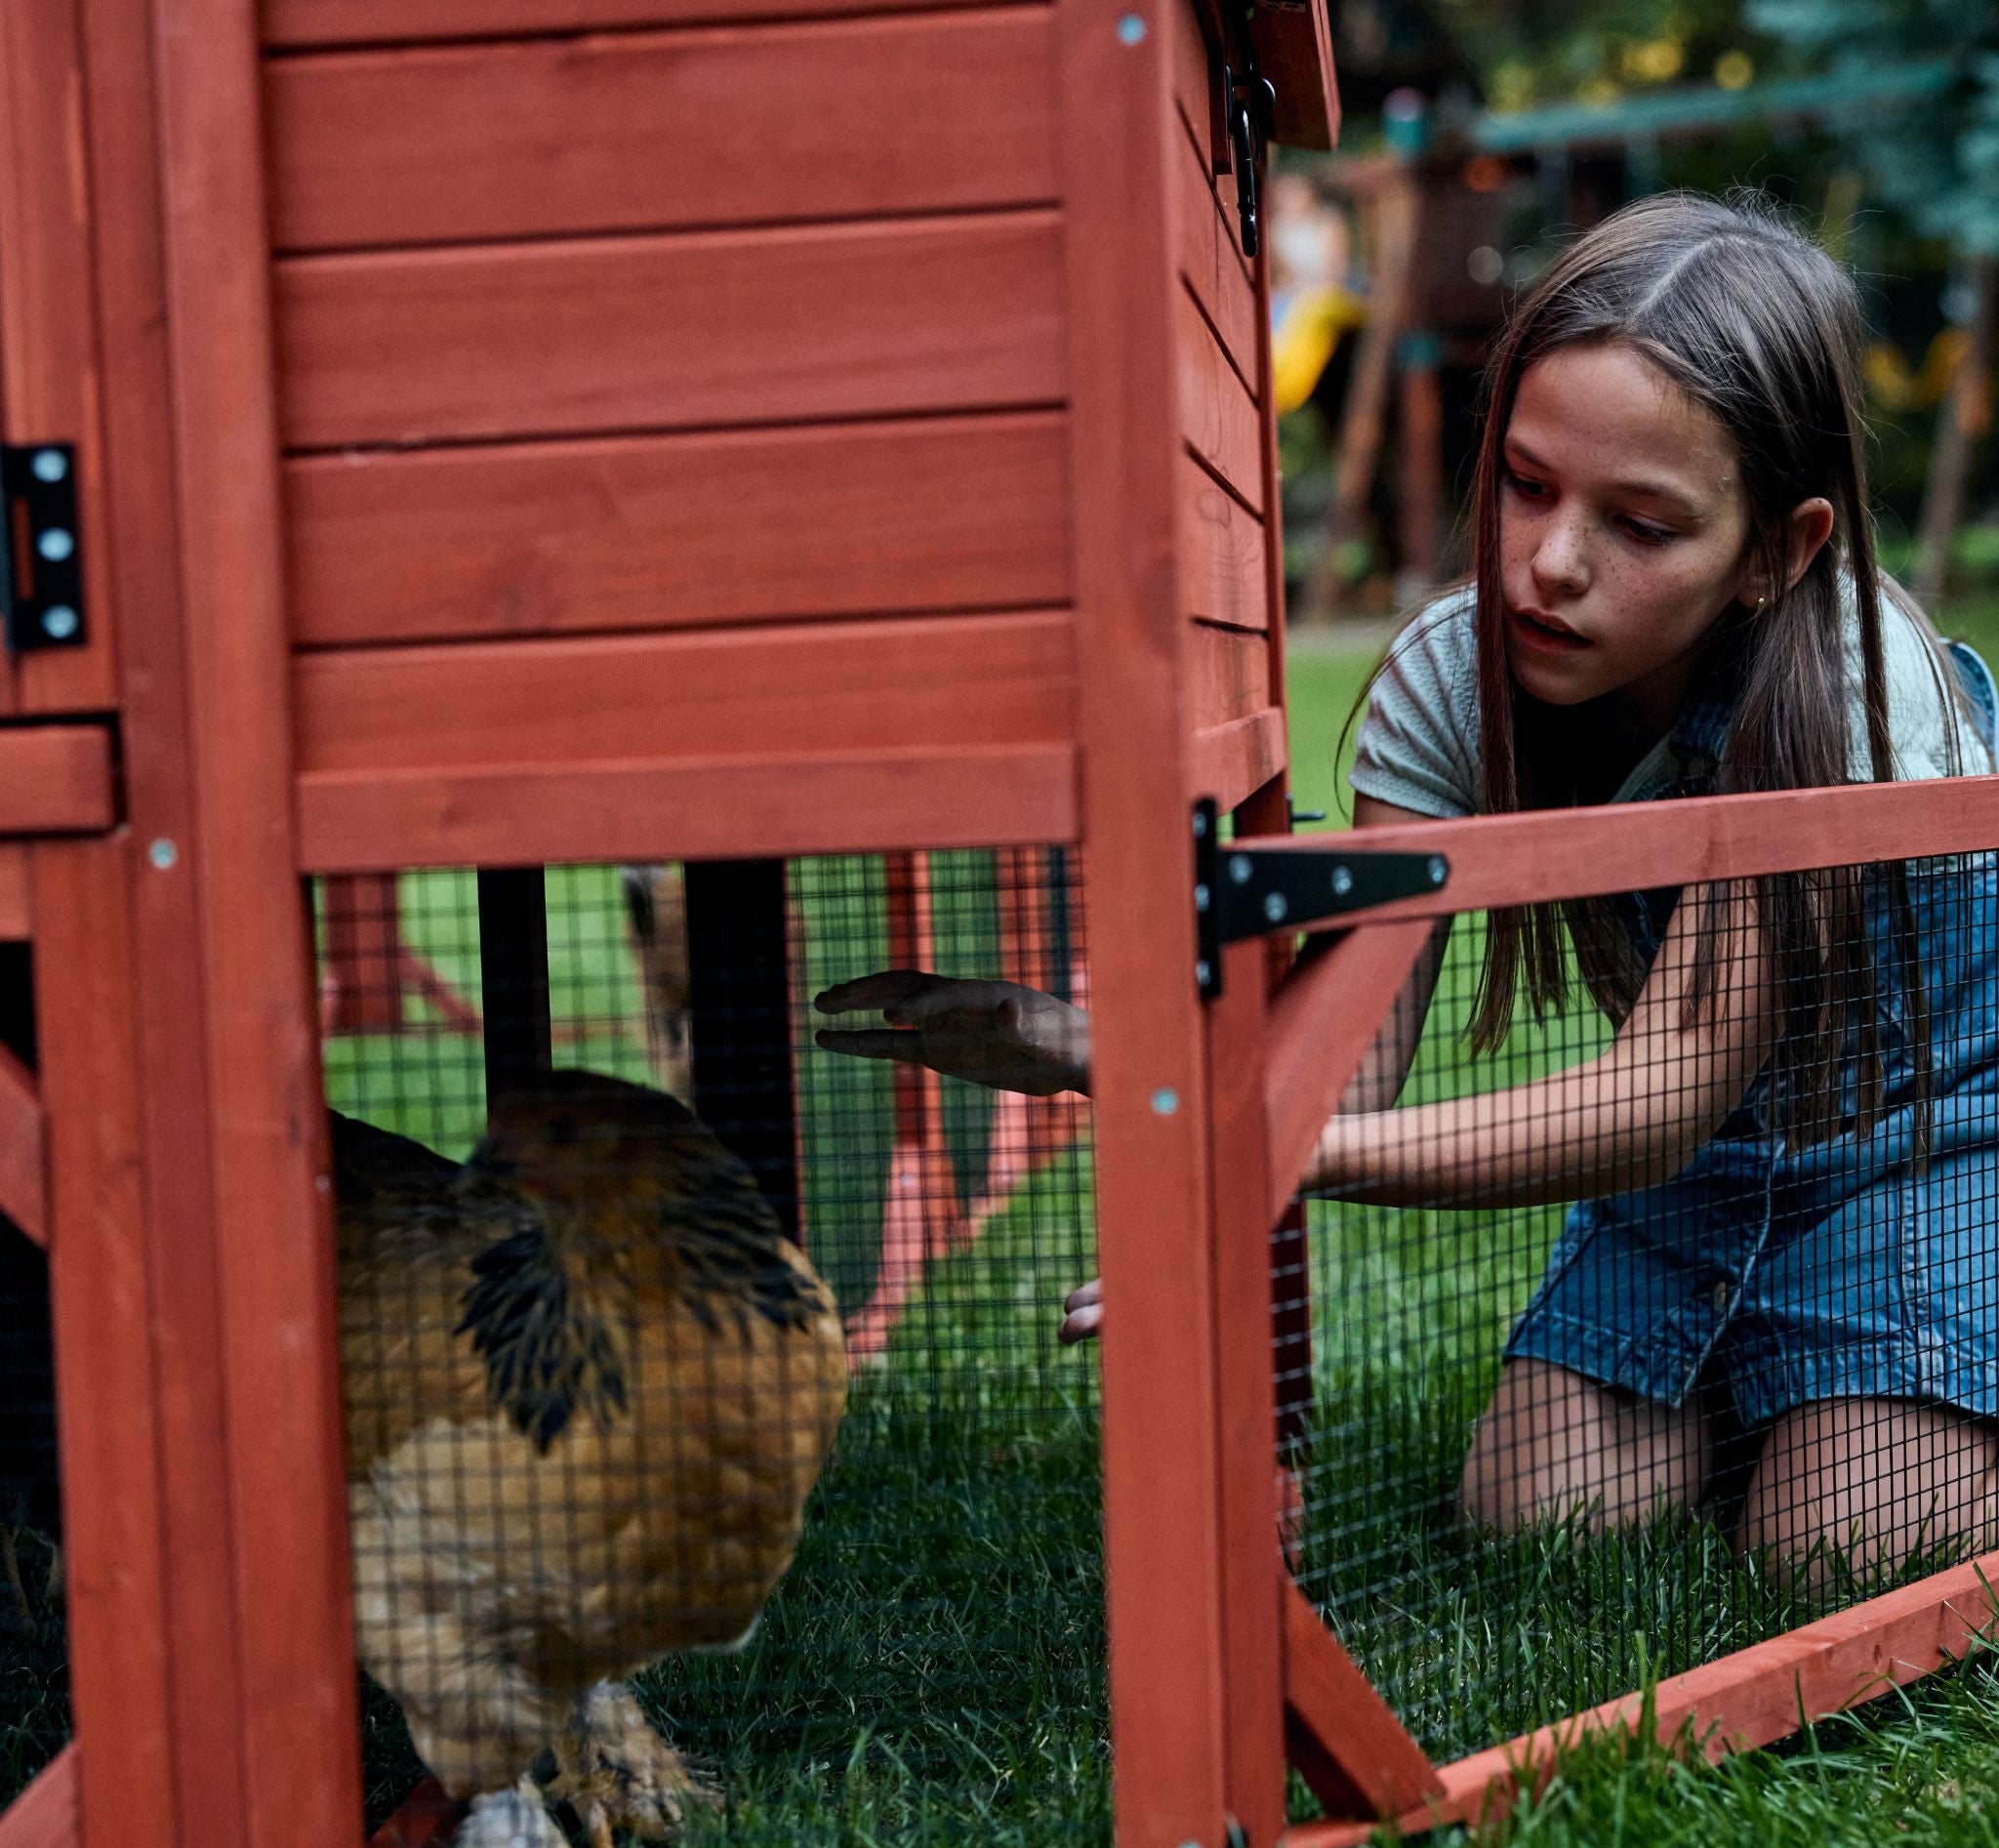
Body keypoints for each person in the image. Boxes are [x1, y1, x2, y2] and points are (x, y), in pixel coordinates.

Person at [815, 192, 1999, 1586]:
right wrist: (1112, 1055)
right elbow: (1355, 1055)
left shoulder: (1854, 681)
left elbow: (1666, 1084)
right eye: (1527, 483)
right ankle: (1816, 1387)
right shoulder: (1452, 678)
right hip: (1698, 1181)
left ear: (1775, 553)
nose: (1550, 563)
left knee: (1843, 1554)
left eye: (1643, 525)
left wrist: (1258, 1157)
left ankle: (1863, 1387)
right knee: (1539, 1517)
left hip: (1932, 1151)